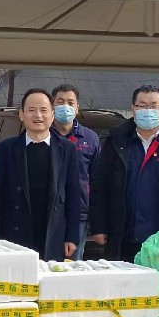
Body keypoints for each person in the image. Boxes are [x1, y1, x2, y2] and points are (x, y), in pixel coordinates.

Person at [89, 85, 159, 261]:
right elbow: (99, 185)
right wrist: (99, 226)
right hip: (124, 236)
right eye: (142, 106)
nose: (148, 111)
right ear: (133, 109)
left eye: (154, 106)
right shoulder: (115, 142)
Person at [0, 88, 80, 260]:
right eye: (31, 110)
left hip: (53, 232)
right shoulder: (7, 148)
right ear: (21, 114)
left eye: (44, 110)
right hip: (15, 232)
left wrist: (72, 237)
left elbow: (73, 194)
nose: (38, 115)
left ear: (52, 115)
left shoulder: (67, 149)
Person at [50, 84, 100, 260]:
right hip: (48, 211)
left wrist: (97, 221)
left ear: (77, 108)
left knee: (72, 266)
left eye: (70, 103)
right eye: (60, 102)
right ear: (52, 106)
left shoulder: (90, 138)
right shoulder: (44, 135)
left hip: (79, 213)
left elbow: (97, 180)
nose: (65, 106)